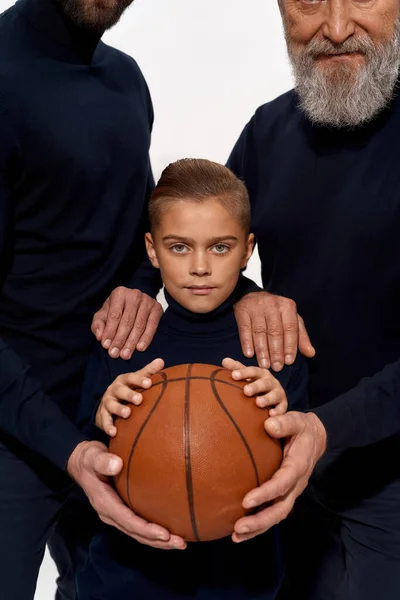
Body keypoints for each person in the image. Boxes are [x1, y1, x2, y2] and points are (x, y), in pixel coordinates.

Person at [0, 3, 317, 598]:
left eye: (222, 250)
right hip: (20, 424)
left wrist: (242, 295)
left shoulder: (125, 80)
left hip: (118, 410)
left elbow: (138, 232)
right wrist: (73, 445)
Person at [222, 0, 400, 598]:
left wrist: (326, 429)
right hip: (284, 471)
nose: (337, 26)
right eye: (308, 3)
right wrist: (244, 294)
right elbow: (203, 254)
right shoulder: (267, 131)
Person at [75, 158, 309, 600]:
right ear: (151, 249)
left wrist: (284, 415)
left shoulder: (272, 348)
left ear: (247, 249)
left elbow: (301, 468)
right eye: (179, 247)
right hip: (125, 580)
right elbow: (87, 459)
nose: (200, 267)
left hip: (243, 580)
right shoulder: (125, 342)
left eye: (220, 247)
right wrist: (102, 419)